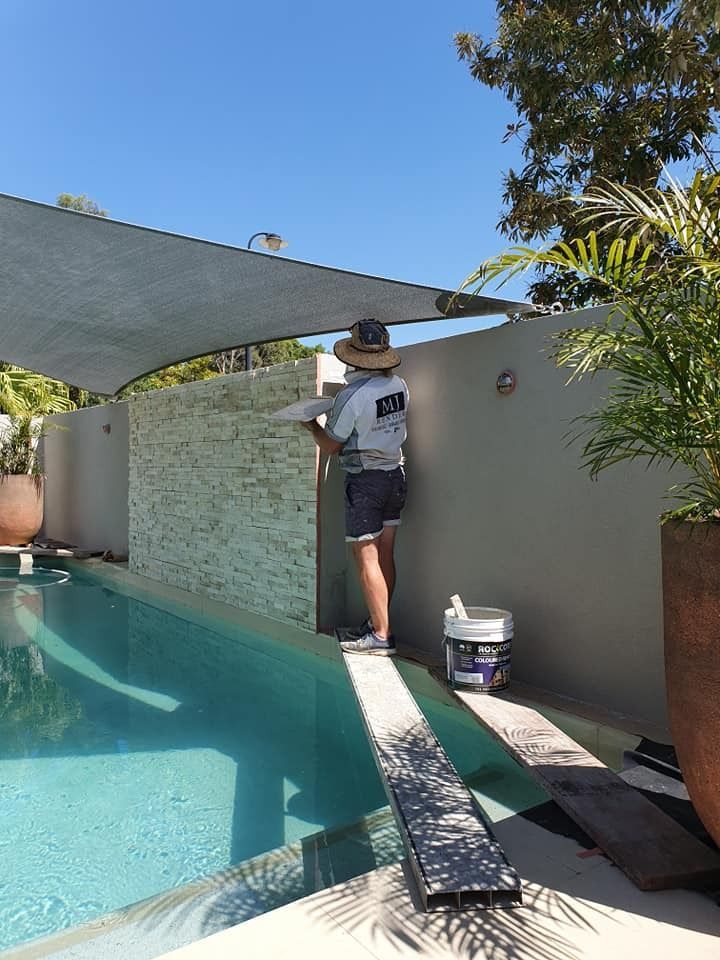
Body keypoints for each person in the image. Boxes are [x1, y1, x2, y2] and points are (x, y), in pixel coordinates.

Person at [301, 319, 408, 655]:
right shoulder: (400, 385)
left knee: (366, 559)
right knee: (385, 553)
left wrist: (311, 425)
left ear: (354, 357)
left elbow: (331, 445)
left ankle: (379, 635)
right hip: (396, 475)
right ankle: (381, 623)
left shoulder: (352, 396)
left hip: (366, 482)